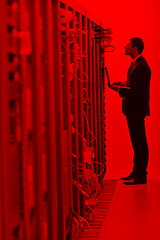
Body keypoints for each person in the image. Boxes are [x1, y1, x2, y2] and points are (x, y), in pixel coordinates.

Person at [106, 37, 151, 185]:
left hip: (136, 110)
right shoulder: (135, 64)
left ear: (135, 47)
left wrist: (118, 89)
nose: (125, 47)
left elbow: (137, 92)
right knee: (136, 142)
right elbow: (134, 85)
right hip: (132, 110)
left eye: (128, 45)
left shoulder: (141, 66)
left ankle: (140, 176)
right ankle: (136, 172)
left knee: (139, 143)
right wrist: (123, 84)